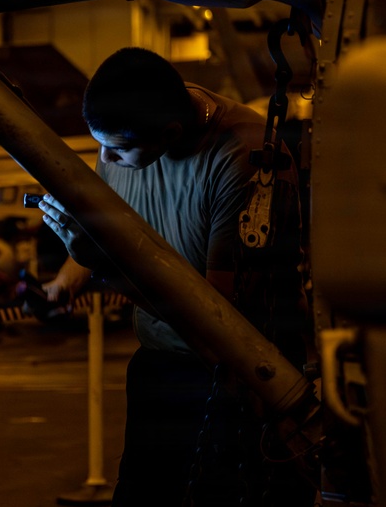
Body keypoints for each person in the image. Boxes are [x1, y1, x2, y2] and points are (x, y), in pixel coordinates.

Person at [36, 47, 313, 506]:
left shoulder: (243, 156)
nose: (105, 158)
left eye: (118, 149)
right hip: (159, 363)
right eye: (100, 144)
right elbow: (109, 232)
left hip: (239, 377)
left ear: (170, 133)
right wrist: (66, 279)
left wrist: (103, 263)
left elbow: (216, 318)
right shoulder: (128, 133)